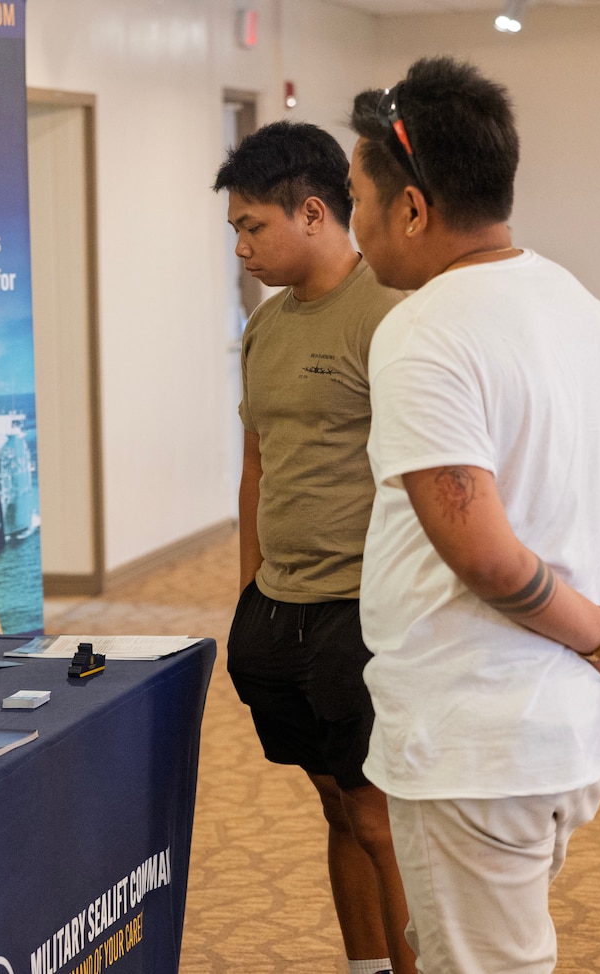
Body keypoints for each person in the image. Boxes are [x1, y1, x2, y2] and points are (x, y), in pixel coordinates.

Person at [347, 56, 600, 973]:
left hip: (479, 741)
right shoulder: (571, 300)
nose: (354, 226)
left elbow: (486, 554)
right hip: (566, 733)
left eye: (356, 197)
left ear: (412, 206)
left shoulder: (423, 331)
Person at [214, 121, 414, 974]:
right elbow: (257, 465)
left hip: (363, 611)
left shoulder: (390, 317)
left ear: (312, 211)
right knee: (336, 807)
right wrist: (253, 588)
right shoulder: (264, 329)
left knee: (377, 816)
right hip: (280, 612)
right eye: (234, 231)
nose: (242, 247)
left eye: (253, 226)